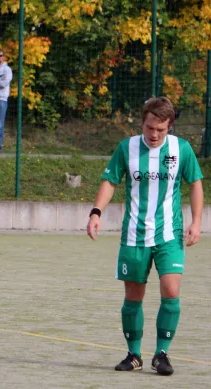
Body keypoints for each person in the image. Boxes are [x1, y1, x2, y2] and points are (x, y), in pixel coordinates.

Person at [87, 97, 203, 376]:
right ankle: (134, 354)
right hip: (134, 234)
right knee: (133, 297)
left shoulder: (181, 149)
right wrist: (95, 212)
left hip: (169, 234)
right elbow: (110, 181)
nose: (154, 134)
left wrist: (197, 222)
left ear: (170, 127)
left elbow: (195, 183)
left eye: (160, 130)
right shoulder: (127, 147)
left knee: (171, 291)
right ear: (143, 122)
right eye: (150, 127)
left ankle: (162, 354)